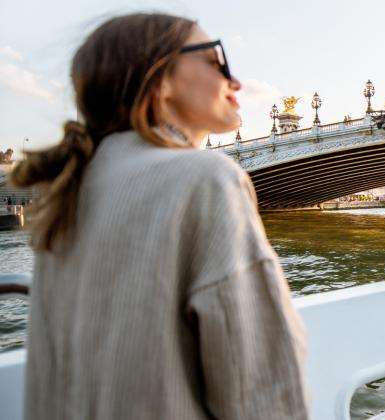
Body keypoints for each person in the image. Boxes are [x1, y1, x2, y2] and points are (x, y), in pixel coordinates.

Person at [10, 13, 309, 419]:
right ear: (160, 80)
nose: (234, 81)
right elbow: (261, 393)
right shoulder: (206, 178)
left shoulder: (69, 189)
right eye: (217, 60)